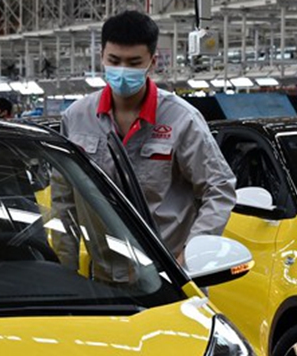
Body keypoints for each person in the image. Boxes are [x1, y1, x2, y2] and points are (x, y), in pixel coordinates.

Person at [59, 10, 235, 266]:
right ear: (102, 58)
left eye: (133, 63)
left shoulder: (182, 120)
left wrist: (190, 257)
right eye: (115, 60)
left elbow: (219, 188)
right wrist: (66, 265)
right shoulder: (76, 118)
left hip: (170, 274)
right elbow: (64, 197)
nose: (122, 70)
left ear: (152, 62)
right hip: (102, 274)